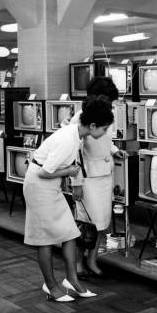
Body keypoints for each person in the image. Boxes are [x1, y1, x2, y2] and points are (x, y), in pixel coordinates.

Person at [23, 95, 114, 302]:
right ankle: (51, 286)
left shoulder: (76, 135)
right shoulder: (68, 139)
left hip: (50, 187)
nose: (105, 132)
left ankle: (72, 280)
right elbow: (44, 172)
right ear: (92, 126)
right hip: (39, 186)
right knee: (45, 241)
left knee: (70, 233)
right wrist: (70, 172)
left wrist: (68, 172)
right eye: (104, 129)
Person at [70, 77, 128, 278]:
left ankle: (92, 260)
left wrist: (114, 150)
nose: (111, 104)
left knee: (102, 223)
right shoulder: (80, 117)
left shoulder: (105, 114)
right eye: (109, 100)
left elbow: (106, 138)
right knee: (86, 224)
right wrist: (75, 182)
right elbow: (73, 152)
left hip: (104, 176)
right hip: (87, 178)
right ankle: (78, 263)